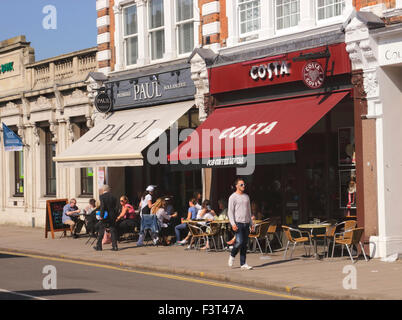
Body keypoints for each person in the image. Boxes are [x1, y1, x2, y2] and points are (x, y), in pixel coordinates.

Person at [228, 177, 254, 270]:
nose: (243, 186)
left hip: (246, 223)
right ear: (236, 186)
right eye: (241, 185)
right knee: (239, 242)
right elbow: (230, 212)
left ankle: (243, 263)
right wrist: (233, 224)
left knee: (244, 244)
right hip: (238, 223)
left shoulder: (246, 197)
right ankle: (232, 255)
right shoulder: (232, 197)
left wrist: (251, 223)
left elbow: (249, 211)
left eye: (244, 184)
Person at [94, 185, 119, 251]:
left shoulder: (102, 196)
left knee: (101, 230)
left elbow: (102, 207)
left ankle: (99, 246)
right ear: (108, 190)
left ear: (103, 190)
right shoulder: (114, 197)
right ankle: (115, 246)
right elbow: (116, 207)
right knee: (113, 230)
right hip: (112, 216)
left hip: (105, 216)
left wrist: (101, 216)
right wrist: (115, 215)